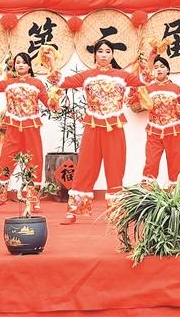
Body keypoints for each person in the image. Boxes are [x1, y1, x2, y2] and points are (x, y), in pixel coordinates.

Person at [47, 39, 153, 225]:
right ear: (95, 54)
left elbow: (144, 81)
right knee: (85, 168)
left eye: (108, 51)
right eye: (101, 51)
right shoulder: (87, 76)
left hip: (115, 128)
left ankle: (116, 210)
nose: (104, 54)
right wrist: (51, 61)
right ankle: (74, 210)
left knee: (115, 168)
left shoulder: (121, 76)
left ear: (112, 55)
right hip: (93, 127)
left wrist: (150, 59)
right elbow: (62, 82)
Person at [0, 52, 57, 213]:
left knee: (34, 163)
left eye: (23, 62)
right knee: (5, 161)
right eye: (17, 62)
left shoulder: (37, 83)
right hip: (13, 129)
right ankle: (1, 197)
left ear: (29, 65)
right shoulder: (9, 83)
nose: (20, 65)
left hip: (31, 129)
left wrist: (54, 98)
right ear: (14, 66)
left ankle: (33, 199)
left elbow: (49, 103)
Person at [140, 56, 180, 185]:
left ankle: (176, 194)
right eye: (156, 67)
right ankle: (147, 193)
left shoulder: (176, 88)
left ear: (168, 70)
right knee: (151, 163)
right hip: (154, 131)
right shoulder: (148, 89)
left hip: (173, 131)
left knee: (176, 163)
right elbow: (137, 106)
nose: (159, 69)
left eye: (162, 67)